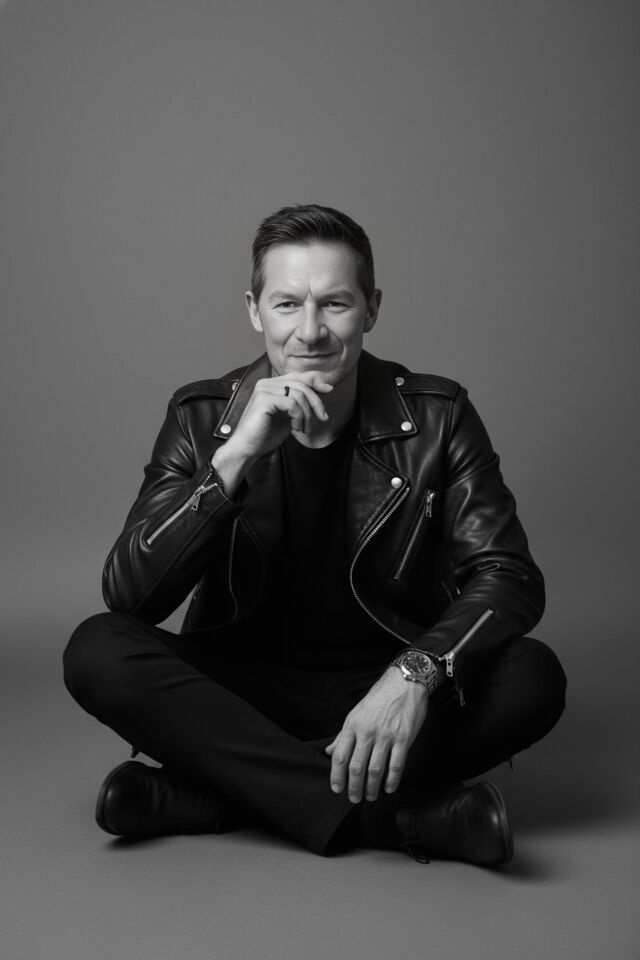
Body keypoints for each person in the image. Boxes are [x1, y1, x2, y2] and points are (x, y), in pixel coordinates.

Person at [63, 203, 566, 865]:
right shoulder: (202, 417)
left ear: (371, 309)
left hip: (384, 692)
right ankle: (397, 819)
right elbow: (130, 596)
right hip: (239, 697)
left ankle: (218, 797)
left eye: (335, 303)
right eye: (286, 304)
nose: (310, 331)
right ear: (254, 311)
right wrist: (233, 460)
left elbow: (508, 576)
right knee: (96, 649)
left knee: (533, 676)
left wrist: (414, 674)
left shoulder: (438, 416)